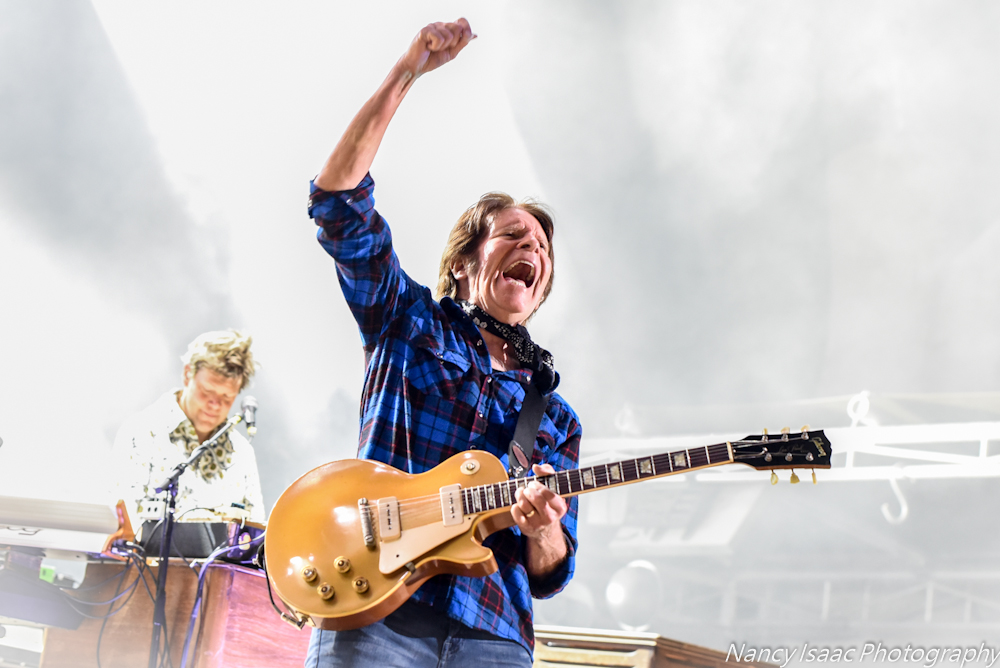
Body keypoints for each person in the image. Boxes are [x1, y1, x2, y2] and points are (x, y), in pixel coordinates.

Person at [305, 18, 582, 668]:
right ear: (464, 263)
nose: (531, 249)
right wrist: (406, 72)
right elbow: (338, 203)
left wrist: (544, 529)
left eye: (541, 247)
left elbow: (550, 569)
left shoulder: (556, 417)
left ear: (539, 290)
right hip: (377, 609)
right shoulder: (410, 323)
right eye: (512, 235)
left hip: (495, 633)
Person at [112, 329, 265, 524]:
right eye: (207, 391)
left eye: (227, 397)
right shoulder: (141, 433)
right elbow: (125, 525)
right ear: (187, 374)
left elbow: (256, 532)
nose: (215, 405)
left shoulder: (242, 452)